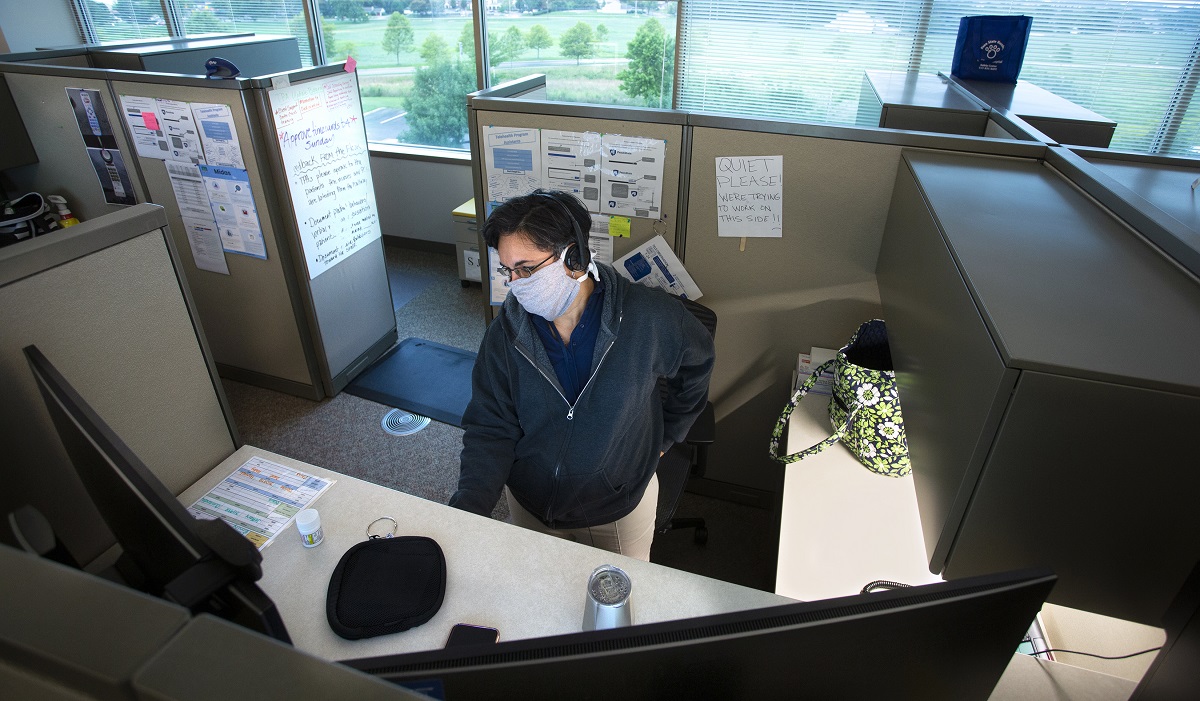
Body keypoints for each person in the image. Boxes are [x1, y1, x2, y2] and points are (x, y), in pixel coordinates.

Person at [448, 190, 714, 561]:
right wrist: (468, 508)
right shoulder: (505, 335)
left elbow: (698, 364)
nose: (515, 283)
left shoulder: (649, 317)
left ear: (574, 257)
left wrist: (668, 435)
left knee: (618, 605)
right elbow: (491, 427)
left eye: (526, 268)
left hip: (616, 506)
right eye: (507, 270)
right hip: (531, 502)